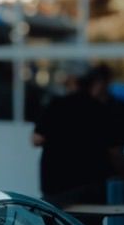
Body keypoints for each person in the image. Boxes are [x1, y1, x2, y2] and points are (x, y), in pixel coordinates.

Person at [32, 68, 111, 204]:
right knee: (89, 223)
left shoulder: (57, 105)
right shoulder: (100, 109)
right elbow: (113, 149)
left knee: (57, 222)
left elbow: (37, 139)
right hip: (90, 184)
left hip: (57, 184)